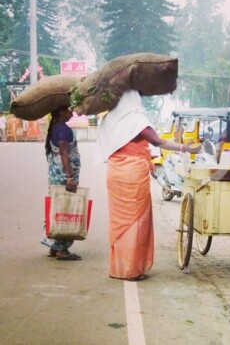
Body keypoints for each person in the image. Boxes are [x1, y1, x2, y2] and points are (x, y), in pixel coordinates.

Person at [95, 89, 201, 281]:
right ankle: (131, 270)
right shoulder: (135, 118)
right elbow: (157, 141)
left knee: (119, 221)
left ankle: (118, 267)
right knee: (135, 222)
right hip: (132, 174)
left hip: (114, 172)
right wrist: (187, 148)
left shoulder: (110, 118)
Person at [43, 105, 82, 260]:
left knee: (57, 209)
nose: (71, 112)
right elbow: (64, 153)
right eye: (68, 110)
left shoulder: (54, 128)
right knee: (66, 211)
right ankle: (62, 249)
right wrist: (70, 177)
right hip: (64, 177)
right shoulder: (64, 130)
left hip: (55, 176)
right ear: (60, 111)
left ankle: (54, 246)